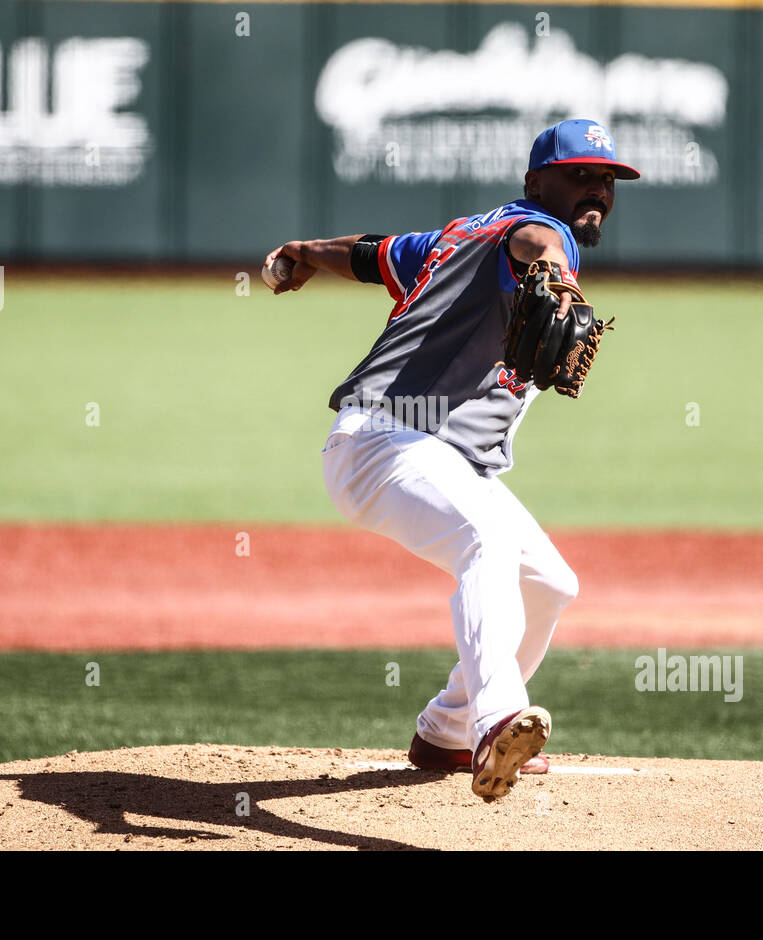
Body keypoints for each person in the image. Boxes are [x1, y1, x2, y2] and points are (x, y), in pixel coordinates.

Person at [263, 119, 639, 802]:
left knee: (550, 584)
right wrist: (552, 272)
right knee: (483, 541)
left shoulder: (456, 236)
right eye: (581, 174)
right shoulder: (535, 233)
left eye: (607, 179)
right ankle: (497, 719)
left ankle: (447, 728)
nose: (598, 189)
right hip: (384, 442)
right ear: (535, 181)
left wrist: (304, 253)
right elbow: (536, 242)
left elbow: (375, 253)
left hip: (435, 454)